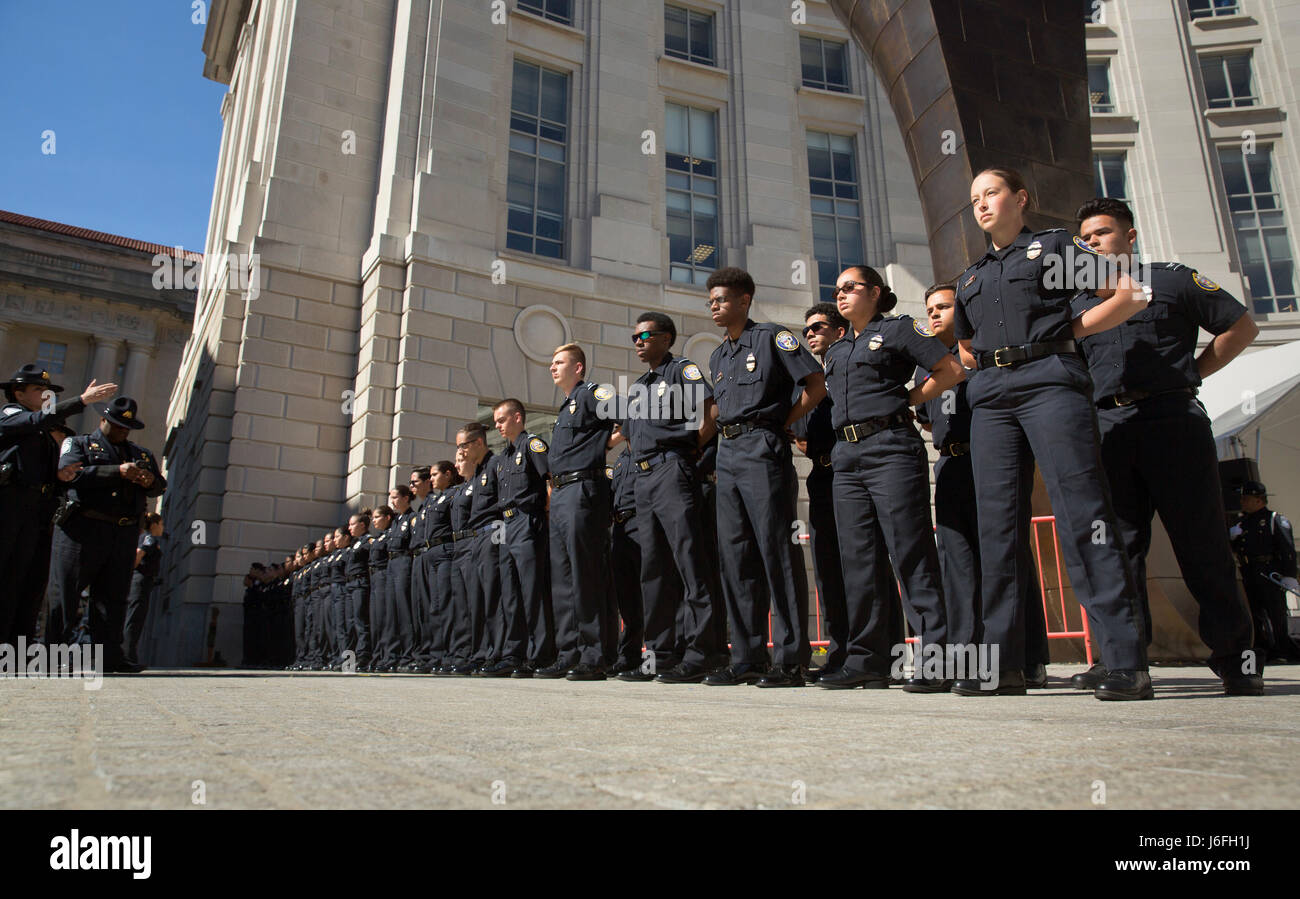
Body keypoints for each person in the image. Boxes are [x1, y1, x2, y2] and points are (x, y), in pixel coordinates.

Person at [955, 166, 1150, 699]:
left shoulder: (1051, 248)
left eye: (991, 193)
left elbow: (1129, 293)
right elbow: (964, 345)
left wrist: (1071, 331)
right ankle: (1008, 664)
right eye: (974, 199)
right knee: (997, 528)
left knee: (1082, 515)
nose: (982, 204)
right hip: (991, 398)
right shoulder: (970, 277)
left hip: (1050, 383)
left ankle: (1124, 661)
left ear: (1021, 197)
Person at [1071, 198, 1263, 694]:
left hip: (1172, 421)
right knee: (1117, 549)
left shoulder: (1173, 279)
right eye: (1086, 238)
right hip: (1108, 427)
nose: (1093, 243)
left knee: (1202, 543)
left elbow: (1241, 328)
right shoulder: (1078, 302)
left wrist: (1190, 375)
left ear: (1130, 237)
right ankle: (1122, 660)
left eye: (1103, 233)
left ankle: (1236, 659)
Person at [818, 267, 962, 691]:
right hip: (846, 457)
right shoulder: (838, 349)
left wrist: (908, 399)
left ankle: (937, 659)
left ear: (876, 292)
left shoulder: (899, 330)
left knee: (910, 551)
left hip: (890, 448)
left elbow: (950, 369)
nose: (841, 295)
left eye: (850, 287)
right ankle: (869, 659)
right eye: (837, 289)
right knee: (859, 560)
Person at [913, 285, 1053, 688]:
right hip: (951, 464)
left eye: (943, 306)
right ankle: (966, 655)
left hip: (992, 461)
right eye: (930, 310)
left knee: (1007, 555)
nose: (935, 315)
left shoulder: (983, 357)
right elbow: (926, 417)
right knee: (956, 562)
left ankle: (1028, 656)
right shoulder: (928, 367)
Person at [702, 267, 825, 688]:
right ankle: (748, 655)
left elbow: (815, 384)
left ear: (744, 300)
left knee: (777, 550)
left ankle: (792, 658)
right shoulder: (718, 356)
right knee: (735, 556)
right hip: (729, 453)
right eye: (711, 301)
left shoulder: (773, 337)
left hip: (762, 448)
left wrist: (782, 422)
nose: (714, 307)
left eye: (721, 299)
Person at [793, 303, 905, 683]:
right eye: (806, 329)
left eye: (818, 327)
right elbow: (800, 436)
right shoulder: (811, 381)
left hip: (862, 471)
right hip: (826, 479)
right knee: (830, 570)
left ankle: (889, 655)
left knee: (871, 566)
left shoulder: (852, 373)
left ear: (841, 331)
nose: (810, 334)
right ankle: (842, 651)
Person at [619, 311, 721, 683]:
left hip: (672, 470)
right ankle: (662, 654)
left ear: (665, 337)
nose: (638, 342)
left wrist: (690, 447)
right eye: (634, 338)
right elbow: (630, 434)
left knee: (688, 559)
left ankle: (702, 651)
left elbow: (712, 410)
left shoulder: (682, 370)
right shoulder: (638, 386)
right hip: (643, 479)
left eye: (644, 335)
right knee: (655, 570)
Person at [45, 397, 166, 673]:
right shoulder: (78, 445)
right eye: (117, 425)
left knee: (113, 598)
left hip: (122, 532)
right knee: (66, 594)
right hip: (82, 530)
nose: (123, 431)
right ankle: (54, 656)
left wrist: (149, 481)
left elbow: (159, 485)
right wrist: (117, 472)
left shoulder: (141, 454)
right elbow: (68, 475)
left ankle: (109, 657)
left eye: (127, 427)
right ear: (103, 420)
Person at [0, 365, 116, 645]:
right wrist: (81, 401)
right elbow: (34, 422)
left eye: (47, 390)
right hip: (9, 504)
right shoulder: (11, 416)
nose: (45, 395)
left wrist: (61, 476)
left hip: (35, 509)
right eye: (39, 390)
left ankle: (16, 648)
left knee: (26, 579)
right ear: (19, 393)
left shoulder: (43, 433)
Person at [544, 344, 617, 680]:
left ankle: (594, 655)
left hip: (582, 490)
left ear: (578, 367)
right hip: (560, 494)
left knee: (585, 574)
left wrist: (608, 444)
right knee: (563, 578)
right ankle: (568, 652)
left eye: (559, 362)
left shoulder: (592, 393)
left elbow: (627, 413)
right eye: (552, 362)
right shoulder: (565, 407)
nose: (552, 367)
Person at [492, 398, 554, 677]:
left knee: (533, 590)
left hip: (527, 521)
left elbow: (550, 481)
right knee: (511, 592)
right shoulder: (503, 457)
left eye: (502, 420)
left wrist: (547, 518)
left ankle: (540, 654)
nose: (498, 426)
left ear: (518, 417)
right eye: (495, 422)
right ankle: (513, 653)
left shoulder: (533, 445)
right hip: (505, 526)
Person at [1231, 482, 1300, 663]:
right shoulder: (1242, 523)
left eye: (1246, 498)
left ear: (1258, 500)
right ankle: (1263, 649)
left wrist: (1290, 575)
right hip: (1249, 571)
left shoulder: (1274, 519)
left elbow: (1287, 548)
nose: (1242, 502)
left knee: (1275, 612)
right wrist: (1231, 538)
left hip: (1269, 571)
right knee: (1255, 613)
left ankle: (1282, 650)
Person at [608, 438, 647, 675]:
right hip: (619, 528)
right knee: (627, 597)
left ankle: (656, 653)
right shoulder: (620, 460)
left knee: (650, 594)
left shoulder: (646, 451)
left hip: (640, 522)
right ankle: (629, 655)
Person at [421, 461, 462, 674]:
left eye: (435, 474)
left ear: (448, 474)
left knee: (447, 604)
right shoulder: (435, 499)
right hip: (432, 553)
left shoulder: (454, 494)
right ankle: (437, 653)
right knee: (434, 606)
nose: (431, 479)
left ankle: (450, 654)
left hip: (446, 551)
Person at [448, 450, 483, 675]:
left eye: (461, 460)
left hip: (472, 542)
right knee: (459, 604)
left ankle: (476, 653)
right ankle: (461, 653)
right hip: (457, 546)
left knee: (474, 602)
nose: (457, 465)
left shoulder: (479, 483)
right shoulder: (458, 490)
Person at [383, 486, 418, 672]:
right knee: (391, 612)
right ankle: (392, 655)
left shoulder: (412, 518)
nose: (392, 501)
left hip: (404, 561)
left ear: (406, 498)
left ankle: (408, 654)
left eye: (395, 497)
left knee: (404, 610)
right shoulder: (396, 521)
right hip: (392, 564)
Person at [122, 512, 163, 669]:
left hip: (143, 583)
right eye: (161, 524)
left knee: (135, 618)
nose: (162, 528)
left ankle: (129, 655)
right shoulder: (149, 538)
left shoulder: (147, 537)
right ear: (154, 525)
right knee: (134, 619)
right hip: (140, 583)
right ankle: (128, 657)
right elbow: (138, 555)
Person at [408, 466, 436, 671]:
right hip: (417, 558)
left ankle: (431, 654)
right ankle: (421, 653)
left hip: (430, 556)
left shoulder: (435, 502)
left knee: (431, 606)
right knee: (418, 608)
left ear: (428, 482)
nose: (411, 487)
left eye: (415, 482)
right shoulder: (422, 507)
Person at [344, 510, 372, 670]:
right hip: (350, 585)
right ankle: (349, 659)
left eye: (352, 524)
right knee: (350, 623)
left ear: (362, 525)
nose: (349, 528)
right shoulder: (354, 543)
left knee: (361, 621)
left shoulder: (367, 541)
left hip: (360, 583)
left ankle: (363, 656)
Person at [367, 506, 394, 670]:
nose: (374, 520)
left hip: (385, 574)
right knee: (376, 619)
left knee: (385, 616)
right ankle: (377, 655)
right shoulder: (378, 537)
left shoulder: (390, 533)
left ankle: (386, 655)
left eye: (377, 517)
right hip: (375, 577)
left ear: (387, 517)